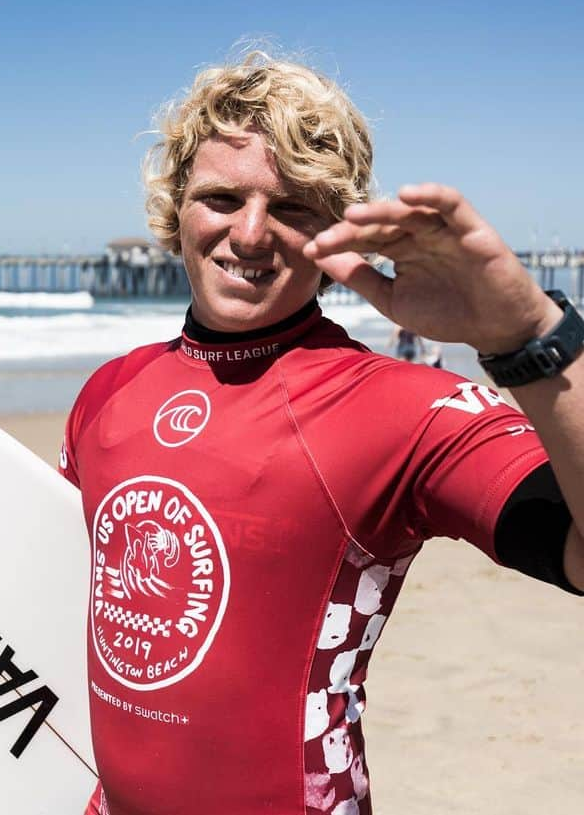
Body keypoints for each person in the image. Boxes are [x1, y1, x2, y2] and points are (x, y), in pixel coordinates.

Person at [59, 52, 584, 815]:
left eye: (294, 206)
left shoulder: (403, 411)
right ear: (176, 208)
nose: (250, 233)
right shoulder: (107, 392)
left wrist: (533, 339)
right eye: (221, 196)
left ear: (339, 229)